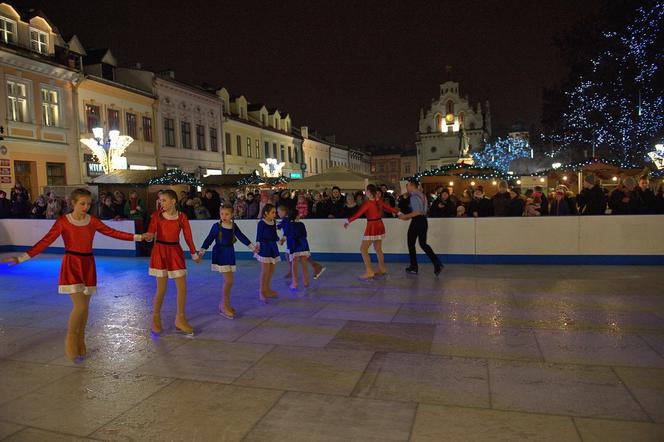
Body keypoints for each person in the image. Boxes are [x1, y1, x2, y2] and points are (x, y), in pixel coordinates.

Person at [2, 188, 148, 361]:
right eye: (82, 203)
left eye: (88, 204)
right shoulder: (63, 222)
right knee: (79, 307)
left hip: (88, 265)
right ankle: (71, 338)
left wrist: (139, 237)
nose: (86, 207)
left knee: (85, 308)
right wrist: (21, 258)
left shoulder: (92, 221)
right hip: (72, 264)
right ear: (73, 203)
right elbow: (45, 241)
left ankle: (81, 338)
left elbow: (113, 233)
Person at [145, 189, 200, 336]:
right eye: (160, 200)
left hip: (175, 252)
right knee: (161, 289)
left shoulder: (182, 217)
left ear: (173, 201)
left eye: (164, 200)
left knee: (182, 288)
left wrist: (194, 253)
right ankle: (155, 318)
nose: (161, 203)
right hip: (160, 252)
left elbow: (188, 236)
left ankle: (180, 319)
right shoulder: (157, 216)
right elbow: (151, 231)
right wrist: (149, 236)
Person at [198, 205, 257, 319]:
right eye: (222, 214)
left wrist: (253, 247)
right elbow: (209, 239)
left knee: (229, 281)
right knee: (229, 281)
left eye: (227, 214)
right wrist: (202, 251)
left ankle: (224, 304)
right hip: (220, 253)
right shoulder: (216, 226)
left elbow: (241, 237)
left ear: (232, 215)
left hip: (229, 253)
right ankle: (224, 305)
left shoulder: (233, 226)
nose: (224, 216)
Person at [344, 184, 399, 280]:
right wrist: (399, 213)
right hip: (379, 225)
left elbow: (358, 214)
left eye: (366, 191)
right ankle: (382, 268)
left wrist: (348, 221)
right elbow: (389, 208)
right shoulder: (378, 201)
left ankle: (369, 271)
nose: (365, 192)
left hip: (372, 226)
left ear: (369, 192)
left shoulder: (368, 203)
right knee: (378, 249)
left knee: (363, 249)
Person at [398, 180, 442, 276]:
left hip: (417, 221)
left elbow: (417, 212)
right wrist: (409, 216)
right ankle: (436, 262)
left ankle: (414, 266)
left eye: (408, 185)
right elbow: (423, 211)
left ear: (412, 186)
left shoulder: (414, 196)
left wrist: (405, 216)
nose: (407, 188)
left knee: (411, 243)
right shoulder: (423, 195)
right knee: (423, 243)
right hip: (423, 221)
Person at [255, 203, 281, 302]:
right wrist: (258, 244)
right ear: (266, 213)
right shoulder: (261, 223)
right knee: (265, 271)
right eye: (273, 212)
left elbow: (274, 235)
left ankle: (268, 289)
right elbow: (259, 235)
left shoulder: (273, 222)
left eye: (275, 212)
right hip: (264, 247)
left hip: (272, 247)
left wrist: (279, 240)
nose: (275, 214)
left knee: (271, 270)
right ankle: (262, 291)